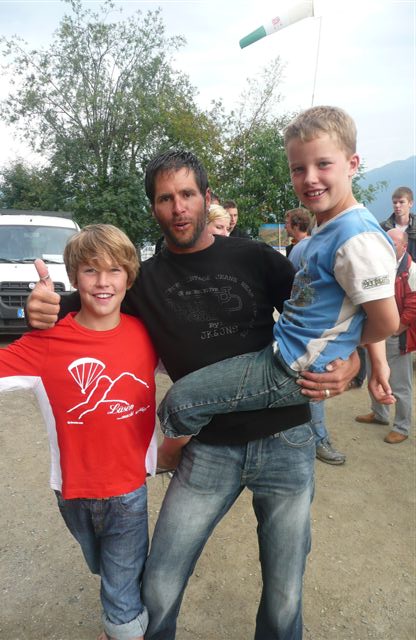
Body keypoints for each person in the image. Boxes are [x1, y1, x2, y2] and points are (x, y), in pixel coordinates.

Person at [27, 149, 360, 640]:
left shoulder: (254, 257)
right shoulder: (144, 281)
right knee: (160, 580)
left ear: (206, 197)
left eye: (187, 194)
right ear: (154, 208)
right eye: (166, 198)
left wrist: (353, 363)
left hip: (286, 439)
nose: (178, 208)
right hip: (207, 451)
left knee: (285, 589)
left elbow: (328, 315)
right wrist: (41, 306)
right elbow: (78, 304)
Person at [157, 106, 399, 447]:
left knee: (179, 402)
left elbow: (386, 321)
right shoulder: (330, 227)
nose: (310, 178)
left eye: (323, 164)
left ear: (352, 164)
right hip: (282, 352)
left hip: (293, 368)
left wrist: (345, 351)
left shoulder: (357, 237)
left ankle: (171, 455)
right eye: (298, 168)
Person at [0, 225, 158, 640]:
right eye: (90, 270)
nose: (103, 282)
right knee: (105, 567)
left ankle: (123, 626)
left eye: (114, 270)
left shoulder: (146, 334)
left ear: (129, 277)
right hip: (71, 492)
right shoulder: (45, 342)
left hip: (128, 491)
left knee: (120, 588)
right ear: (74, 277)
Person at [284, 208, 347, 465]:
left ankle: (313, 439)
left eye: (287, 222)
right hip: (315, 331)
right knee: (314, 388)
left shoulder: (301, 248)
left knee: (310, 386)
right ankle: (319, 440)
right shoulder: (311, 247)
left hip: (304, 329)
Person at [355, 228, 416, 443]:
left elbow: (413, 306)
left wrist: (395, 328)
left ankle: (402, 427)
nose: (388, 246)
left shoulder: (412, 270)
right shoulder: (381, 263)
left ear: (404, 246)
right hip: (378, 331)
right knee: (374, 373)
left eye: (393, 243)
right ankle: (379, 413)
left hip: (397, 334)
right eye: (385, 241)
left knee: (400, 384)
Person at [381, 187, 416, 260]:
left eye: (401, 202)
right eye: (395, 202)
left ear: (410, 203)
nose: (397, 205)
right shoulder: (383, 228)